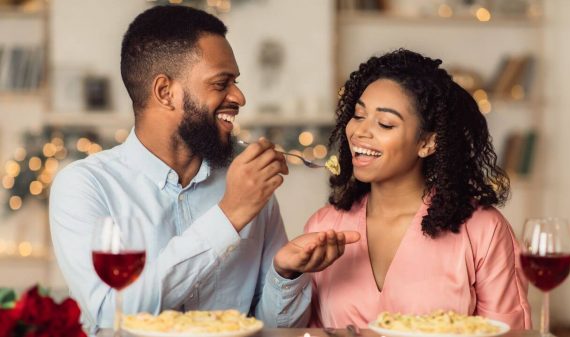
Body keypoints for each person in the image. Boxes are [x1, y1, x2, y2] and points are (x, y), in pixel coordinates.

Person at [49, 5, 358, 334]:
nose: (239, 97)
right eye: (221, 83)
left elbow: (272, 329)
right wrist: (228, 215)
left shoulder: (249, 181)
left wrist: (285, 275)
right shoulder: (86, 187)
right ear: (165, 92)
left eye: (235, 82)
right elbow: (111, 313)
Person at [304, 49, 532, 329]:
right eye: (358, 114)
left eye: (385, 123)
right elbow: (305, 330)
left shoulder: (484, 230)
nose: (360, 132)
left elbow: (508, 333)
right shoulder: (324, 226)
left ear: (427, 143)